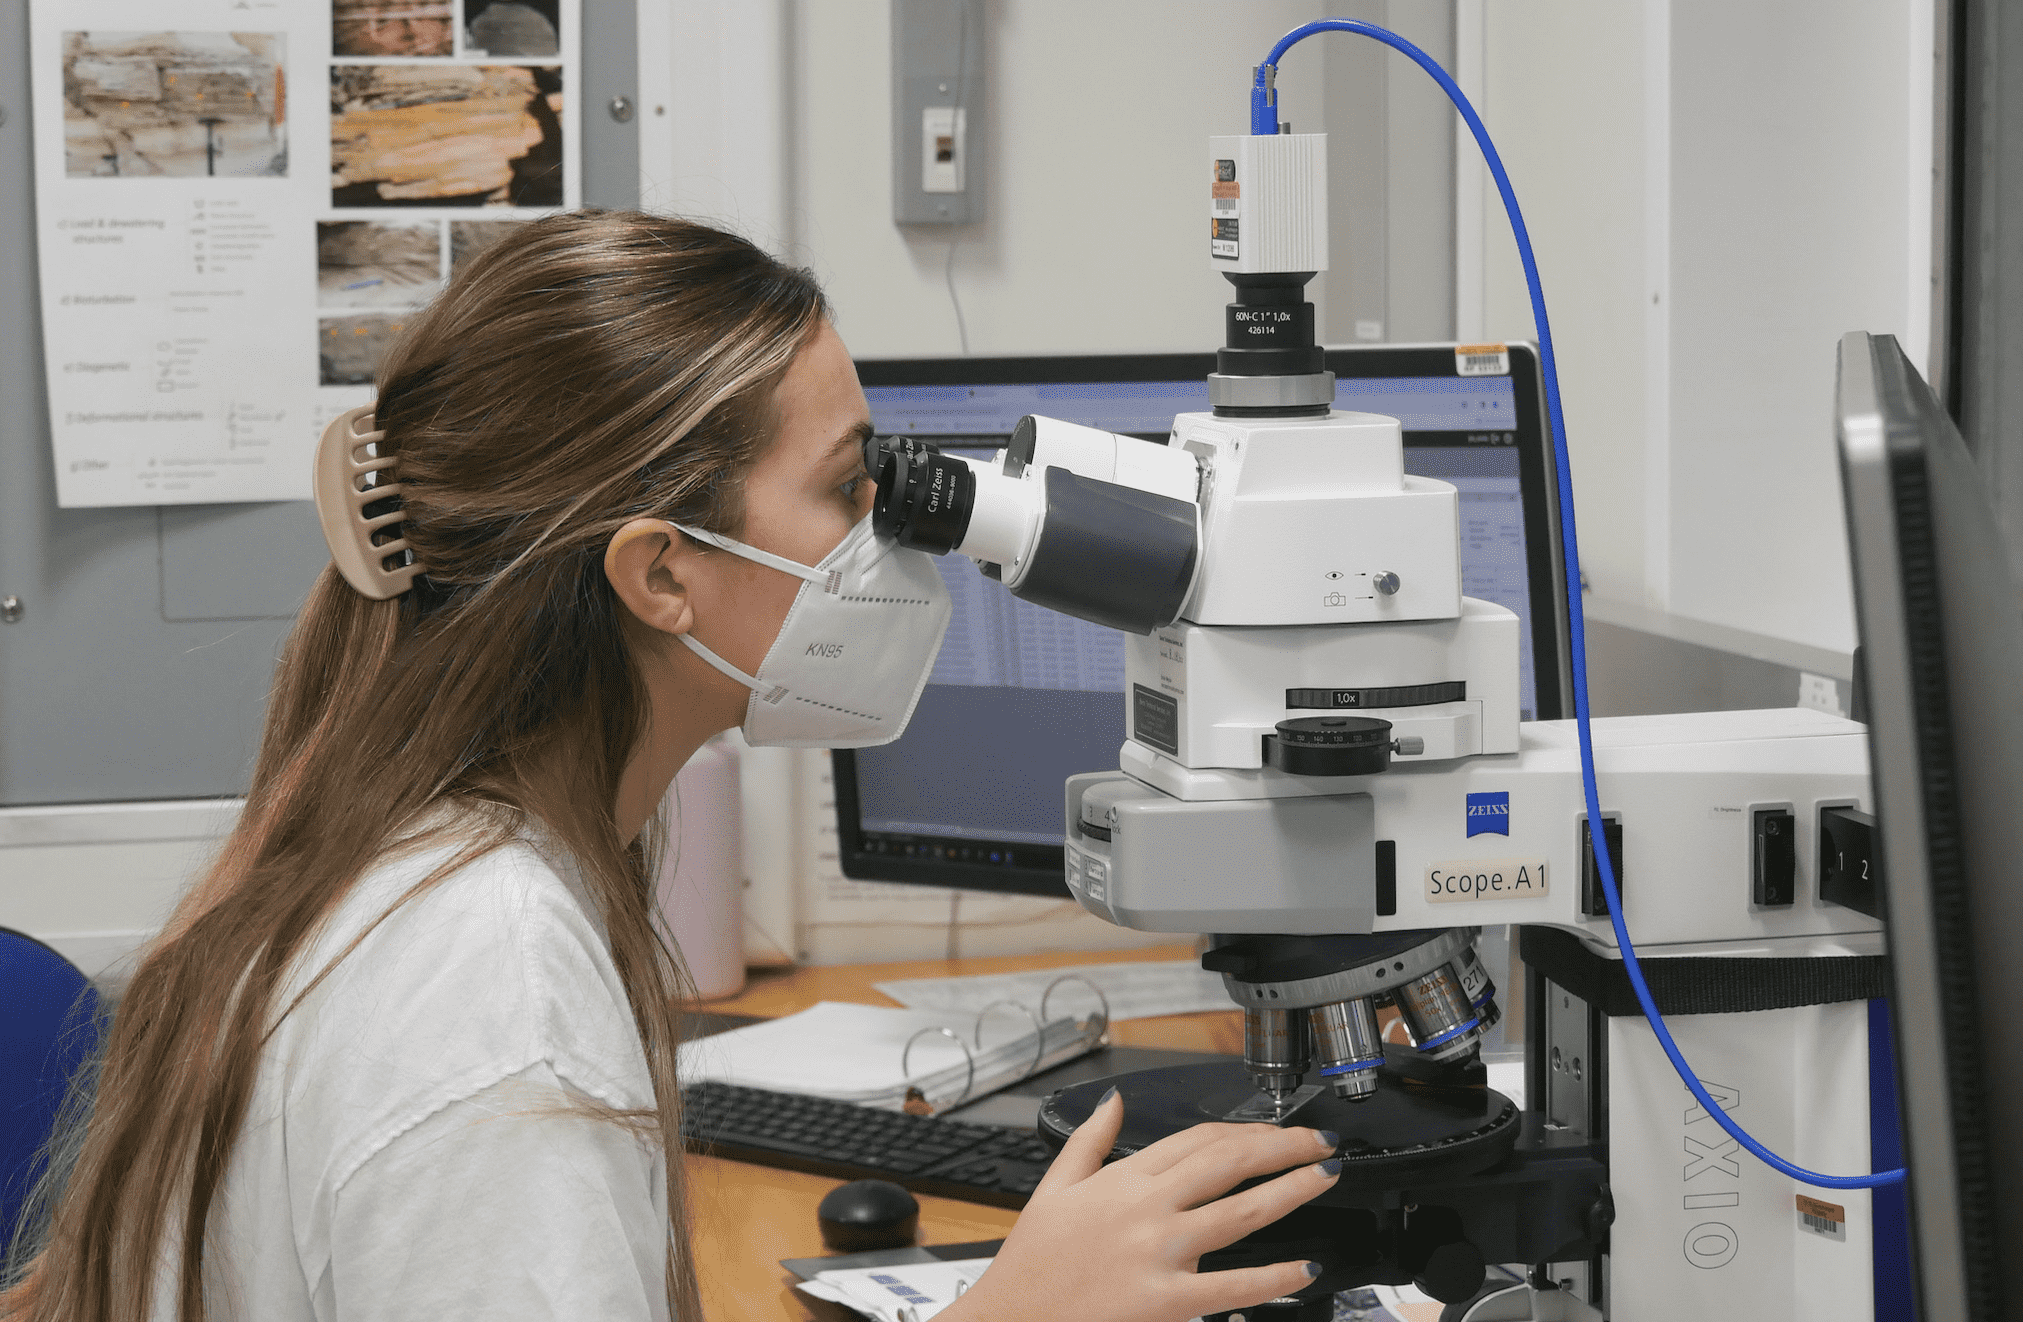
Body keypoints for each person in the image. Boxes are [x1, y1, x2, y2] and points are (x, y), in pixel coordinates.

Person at [1, 211, 1339, 1322]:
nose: (890, 528)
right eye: (847, 486)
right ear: (660, 575)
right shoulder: (490, 981)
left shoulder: (409, 851)